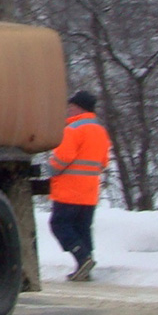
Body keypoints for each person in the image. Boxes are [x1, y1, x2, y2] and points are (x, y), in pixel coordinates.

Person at [48, 90, 111, 282]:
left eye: (71, 106)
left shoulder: (73, 129)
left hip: (69, 189)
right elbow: (104, 162)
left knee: (59, 224)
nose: (69, 110)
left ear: (78, 107)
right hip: (90, 190)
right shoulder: (100, 131)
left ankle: (82, 257)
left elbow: (63, 157)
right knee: (83, 227)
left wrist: (51, 167)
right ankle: (85, 263)